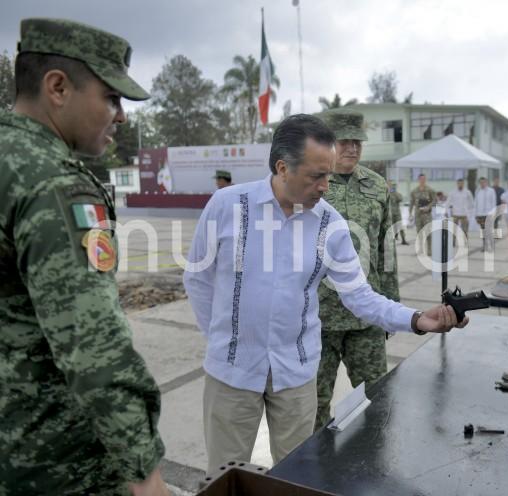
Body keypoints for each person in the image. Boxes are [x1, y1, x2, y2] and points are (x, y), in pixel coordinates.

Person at [183, 114, 466, 473]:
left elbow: (359, 295)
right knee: (226, 477)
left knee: (296, 474)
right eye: (317, 175)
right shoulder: (227, 207)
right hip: (232, 375)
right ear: (283, 168)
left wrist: (415, 319)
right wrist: (224, 338)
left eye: (329, 175)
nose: (326, 186)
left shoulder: (329, 223)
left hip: (296, 374)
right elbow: (198, 279)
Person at [0, 18, 168, 495]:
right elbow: (94, 349)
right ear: (57, 87)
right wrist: (145, 470)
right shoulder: (54, 184)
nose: (121, 116)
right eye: (112, 98)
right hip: (54, 465)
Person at [314, 110, 401, 430]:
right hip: (319, 317)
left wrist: (392, 306)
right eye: (344, 141)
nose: (352, 148)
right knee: (313, 404)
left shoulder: (378, 187)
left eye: (357, 142)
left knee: (377, 395)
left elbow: (386, 249)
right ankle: (312, 469)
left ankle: (373, 463)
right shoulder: (312, 185)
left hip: (366, 316)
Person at [409, 173, 437, 256]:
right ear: (419, 180)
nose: (422, 181)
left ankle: (429, 251)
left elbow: (435, 201)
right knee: (419, 233)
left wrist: (429, 207)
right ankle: (420, 250)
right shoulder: (414, 191)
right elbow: (411, 203)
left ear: (425, 180)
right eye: (421, 179)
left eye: (424, 179)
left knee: (428, 233)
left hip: (427, 215)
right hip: (418, 215)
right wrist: (410, 213)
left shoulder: (430, 190)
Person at [444, 178, 474, 243]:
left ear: (463, 184)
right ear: (457, 184)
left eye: (461, 183)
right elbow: (448, 202)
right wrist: (446, 211)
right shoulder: (453, 192)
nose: (460, 185)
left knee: (465, 230)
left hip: (464, 214)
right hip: (455, 214)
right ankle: (453, 242)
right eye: (459, 183)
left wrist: (469, 214)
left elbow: (471, 203)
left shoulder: (467, 192)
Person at [474, 177, 497, 252]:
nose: (482, 184)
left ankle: (491, 245)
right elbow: (476, 203)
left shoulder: (491, 191)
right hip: (480, 214)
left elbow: (493, 202)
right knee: (483, 231)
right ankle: (484, 246)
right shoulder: (478, 191)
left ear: (486, 182)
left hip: (488, 214)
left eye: (483, 182)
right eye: (481, 182)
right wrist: (476, 214)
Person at [388, 180, 408, 245]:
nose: (393, 187)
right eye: (391, 185)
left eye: (394, 185)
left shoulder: (396, 194)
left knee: (400, 226)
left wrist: (394, 192)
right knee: (390, 228)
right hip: (389, 213)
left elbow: (400, 199)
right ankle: (391, 240)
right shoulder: (386, 193)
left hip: (397, 213)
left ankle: (403, 240)